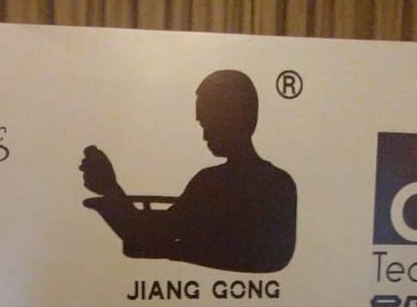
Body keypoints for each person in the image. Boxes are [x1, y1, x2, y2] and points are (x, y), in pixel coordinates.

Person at [81, 70, 297, 273]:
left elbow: (146, 237)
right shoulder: (281, 181)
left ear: (235, 119)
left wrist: (110, 188)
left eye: (210, 124)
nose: (205, 135)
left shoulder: (212, 183)